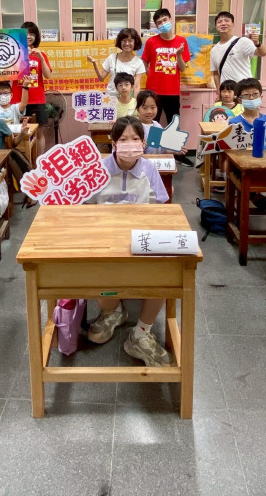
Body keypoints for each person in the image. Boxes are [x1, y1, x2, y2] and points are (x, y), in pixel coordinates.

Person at [86, 116, 171, 367]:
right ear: (113, 143)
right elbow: (85, 210)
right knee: (96, 272)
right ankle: (112, 312)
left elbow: (161, 209)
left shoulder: (149, 169)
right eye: (123, 139)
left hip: (140, 239)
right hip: (105, 239)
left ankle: (141, 333)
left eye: (135, 138)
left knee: (166, 271)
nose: (130, 144)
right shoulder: (98, 170)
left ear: (144, 143)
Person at [140, 9, 189, 127]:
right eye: (159, 22)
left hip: (172, 91)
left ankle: (173, 141)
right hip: (153, 91)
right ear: (156, 26)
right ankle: (153, 140)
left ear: (170, 20)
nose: (163, 24)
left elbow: (183, 68)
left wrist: (178, 55)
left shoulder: (181, 41)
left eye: (165, 20)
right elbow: (144, 61)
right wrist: (150, 74)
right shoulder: (151, 41)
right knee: (152, 123)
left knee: (173, 125)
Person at [210, 11, 265, 89]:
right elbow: (215, 73)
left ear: (233, 24)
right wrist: (219, 92)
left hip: (245, 89)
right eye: (219, 22)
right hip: (228, 92)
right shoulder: (214, 50)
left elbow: (262, 53)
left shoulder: (243, 41)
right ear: (216, 26)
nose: (223, 23)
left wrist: (257, 43)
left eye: (227, 21)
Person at [87, 27, 146, 96]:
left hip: (127, 99)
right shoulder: (112, 58)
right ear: (120, 42)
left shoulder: (138, 63)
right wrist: (94, 63)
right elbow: (101, 78)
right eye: (124, 40)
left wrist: (134, 101)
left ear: (135, 42)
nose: (127, 43)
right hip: (110, 98)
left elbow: (136, 86)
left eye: (130, 41)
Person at [17, 21, 52, 127]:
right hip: (18, 99)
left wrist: (41, 58)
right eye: (26, 34)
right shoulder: (15, 53)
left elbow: (48, 76)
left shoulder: (41, 54)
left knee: (39, 131)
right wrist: (22, 55)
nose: (29, 36)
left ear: (36, 37)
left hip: (37, 99)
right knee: (18, 131)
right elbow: (7, 74)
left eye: (32, 34)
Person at [135, 89, 165, 154]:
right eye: (145, 108)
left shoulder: (156, 126)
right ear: (137, 109)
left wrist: (176, 151)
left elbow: (160, 150)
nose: (149, 112)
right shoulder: (134, 126)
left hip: (156, 160)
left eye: (153, 107)